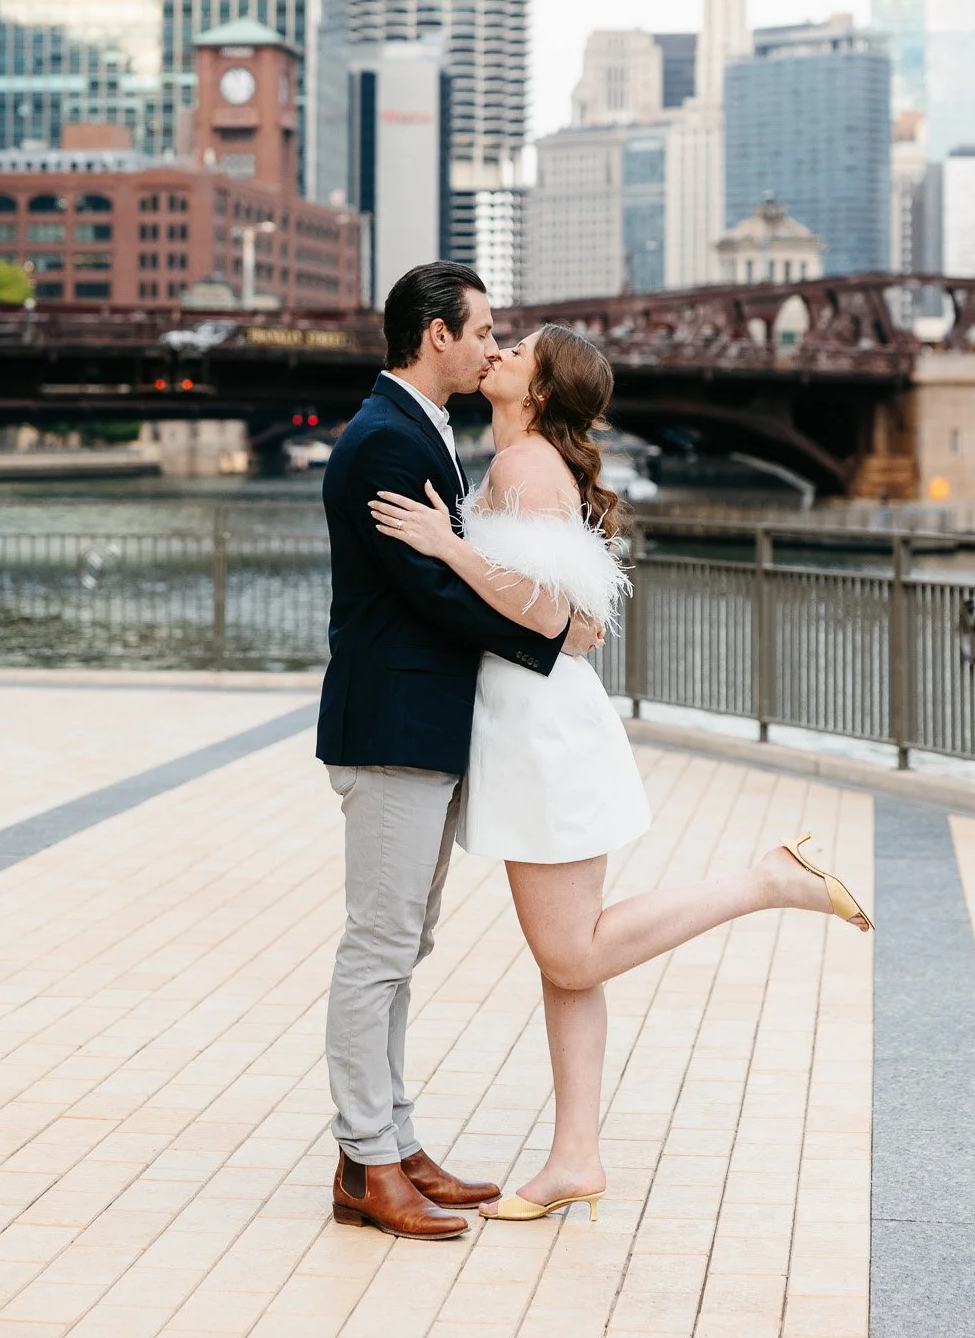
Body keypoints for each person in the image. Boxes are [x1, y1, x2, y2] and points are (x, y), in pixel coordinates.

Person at [370, 322, 872, 1225]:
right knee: (570, 971)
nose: (499, 352)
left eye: (515, 349)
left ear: (541, 389)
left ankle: (766, 881)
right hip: (539, 722)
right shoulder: (524, 462)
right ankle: (575, 1160)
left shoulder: (524, 469)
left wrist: (447, 547)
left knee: (570, 951)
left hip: (540, 733)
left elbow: (553, 608)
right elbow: (577, 618)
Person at [317, 262, 600, 1241]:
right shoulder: (385, 442)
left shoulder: (419, 430)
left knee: (403, 945)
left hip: (422, 730)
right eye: (483, 329)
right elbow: (426, 594)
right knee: (378, 949)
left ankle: (393, 1141)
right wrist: (549, 637)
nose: (491, 345)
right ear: (436, 334)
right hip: (392, 728)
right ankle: (367, 1163)